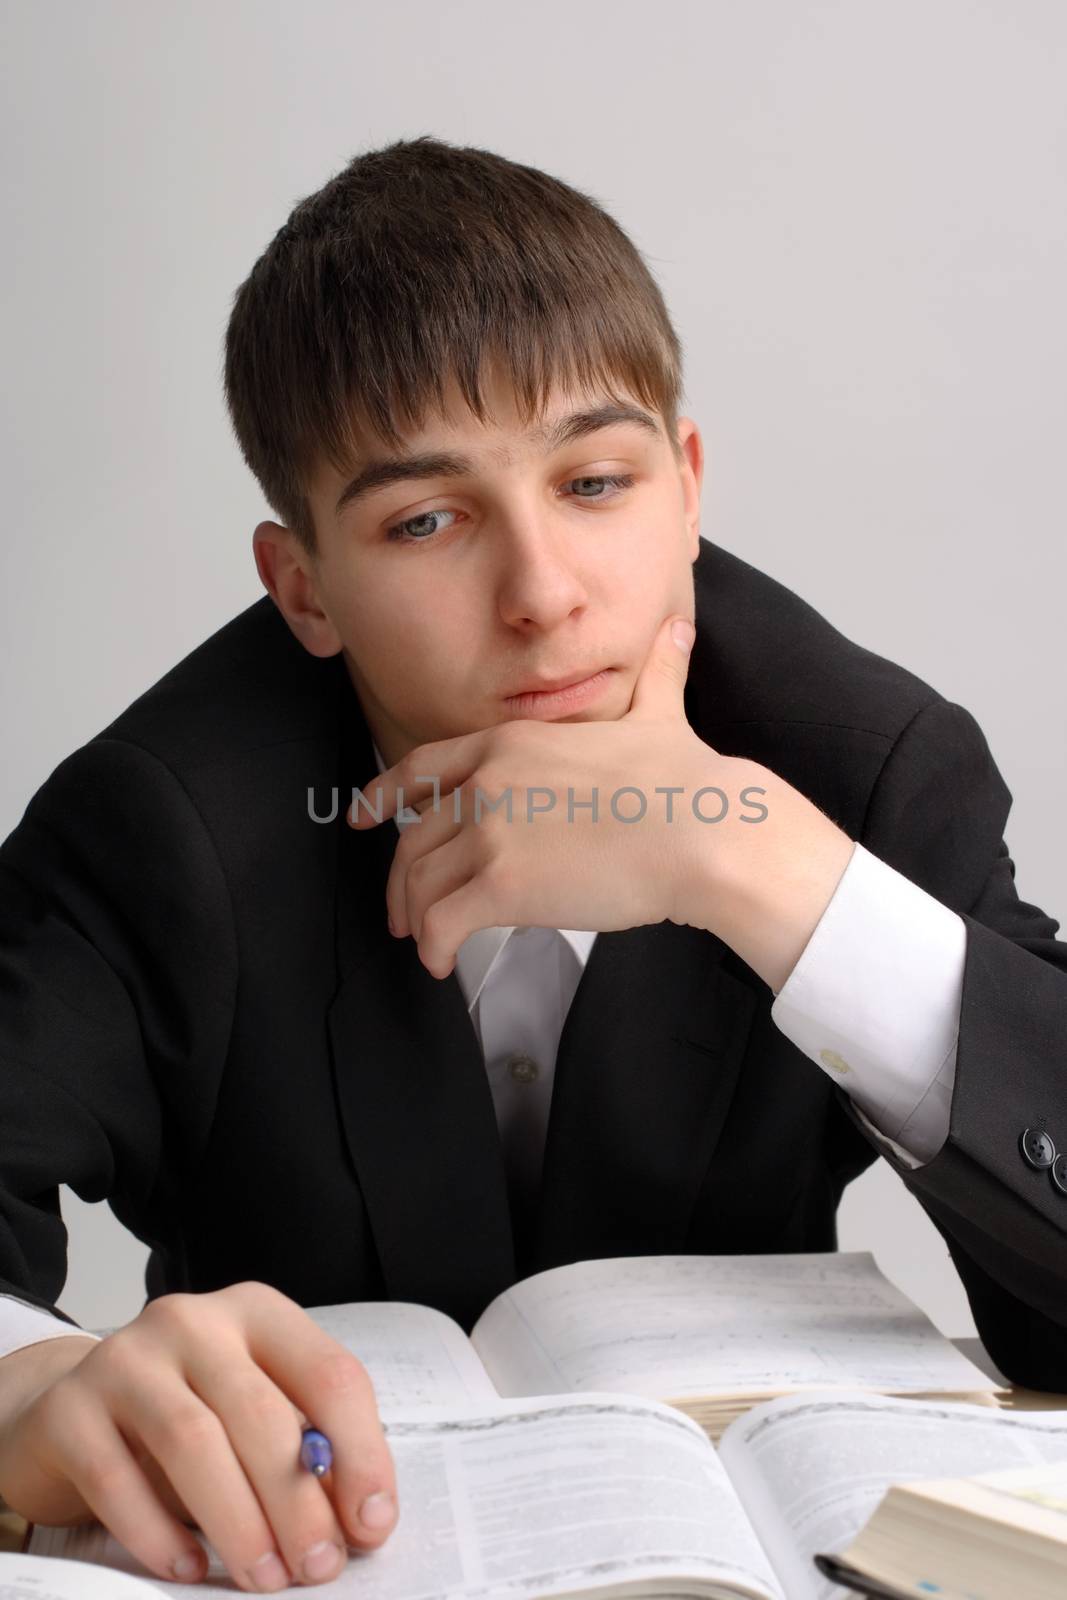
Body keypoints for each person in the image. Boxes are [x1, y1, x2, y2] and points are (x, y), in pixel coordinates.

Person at [1, 133, 1065, 1592]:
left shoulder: (862, 761)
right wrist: (27, 1391)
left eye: (596, 482)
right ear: (302, 584)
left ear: (688, 489)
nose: (545, 597)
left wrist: (763, 874)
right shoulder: (161, 823)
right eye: (426, 520)